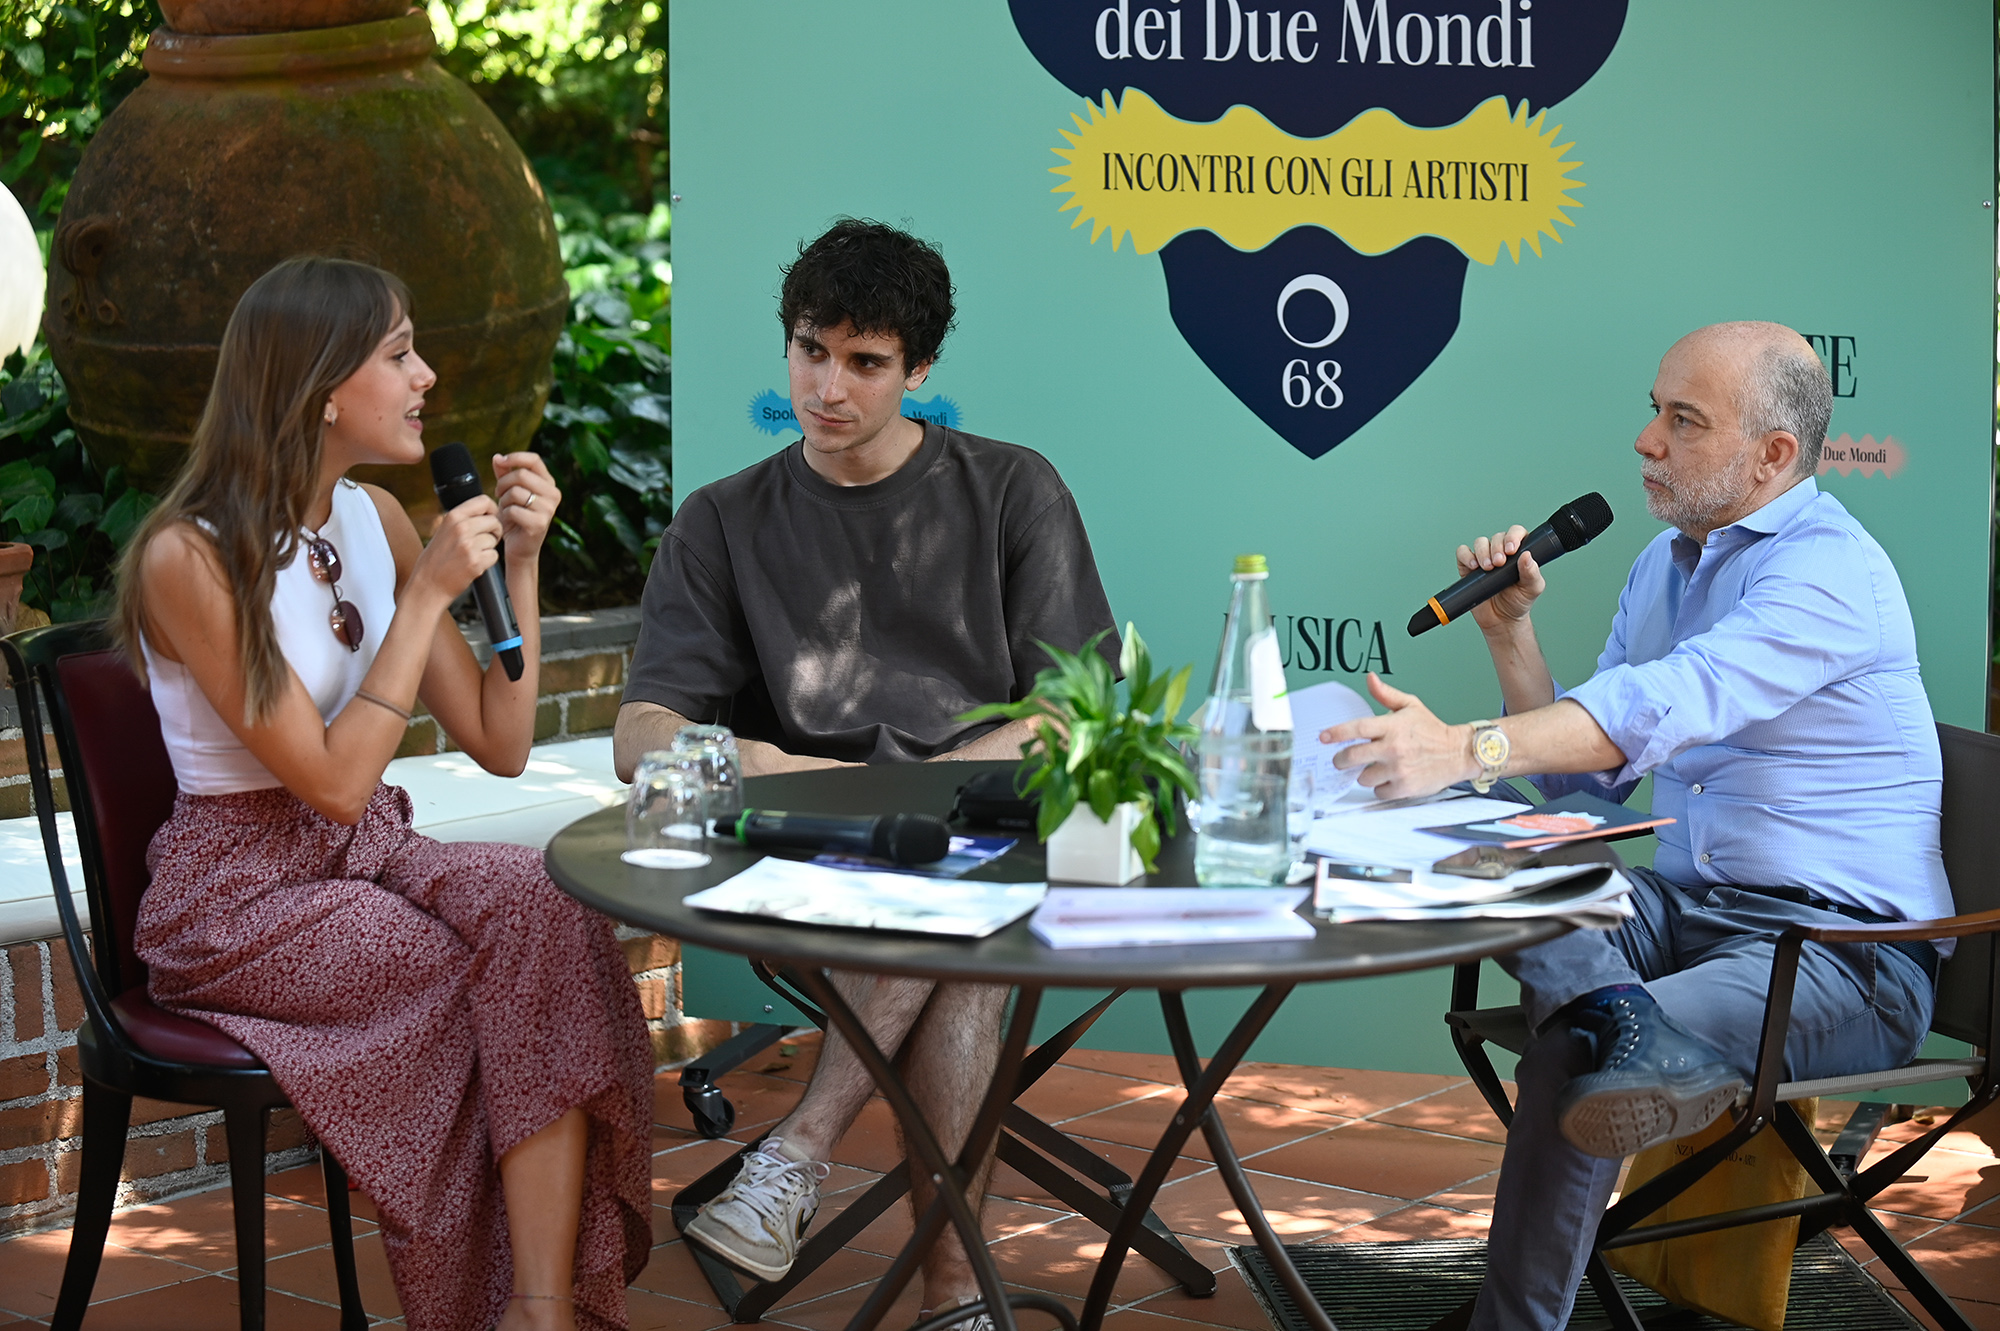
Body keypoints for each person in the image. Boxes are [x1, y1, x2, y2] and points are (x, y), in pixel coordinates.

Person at [1322, 322, 1944, 1329]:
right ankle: (1621, 1011)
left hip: (1836, 953)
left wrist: (1464, 744)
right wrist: (1509, 633)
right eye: (1655, 411)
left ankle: (1517, 1302)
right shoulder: (1665, 560)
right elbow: (1590, 779)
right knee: (1481, 834)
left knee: (1575, 1052)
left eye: (1682, 420)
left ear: (1772, 454)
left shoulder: (1829, 572)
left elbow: (1668, 698)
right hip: (1689, 909)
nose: (1646, 441)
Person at [115, 257, 656, 1331]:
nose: (427, 375)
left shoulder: (374, 519)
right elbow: (328, 780)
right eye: (400, 353)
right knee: (465, 979)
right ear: (323, 387)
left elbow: (502, 742)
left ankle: (540, 1309)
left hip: (367, 852)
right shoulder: (192, 557)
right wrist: (420, 601)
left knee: (546, 911)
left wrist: (522, 563)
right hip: (239, 897)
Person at [613, 219, 1118, 1321]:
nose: (827, 386)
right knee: (959, 927)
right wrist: (772, 762)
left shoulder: (1011, 489)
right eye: (810, 350)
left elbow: (1073, 713)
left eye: (865, 361)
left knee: (956, 900)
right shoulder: (721, 519)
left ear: (919, 369)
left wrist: (918, 797)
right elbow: (642, 732)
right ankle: (954, 1297)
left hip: (981, 836)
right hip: (816, 849)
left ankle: (800, 1150)